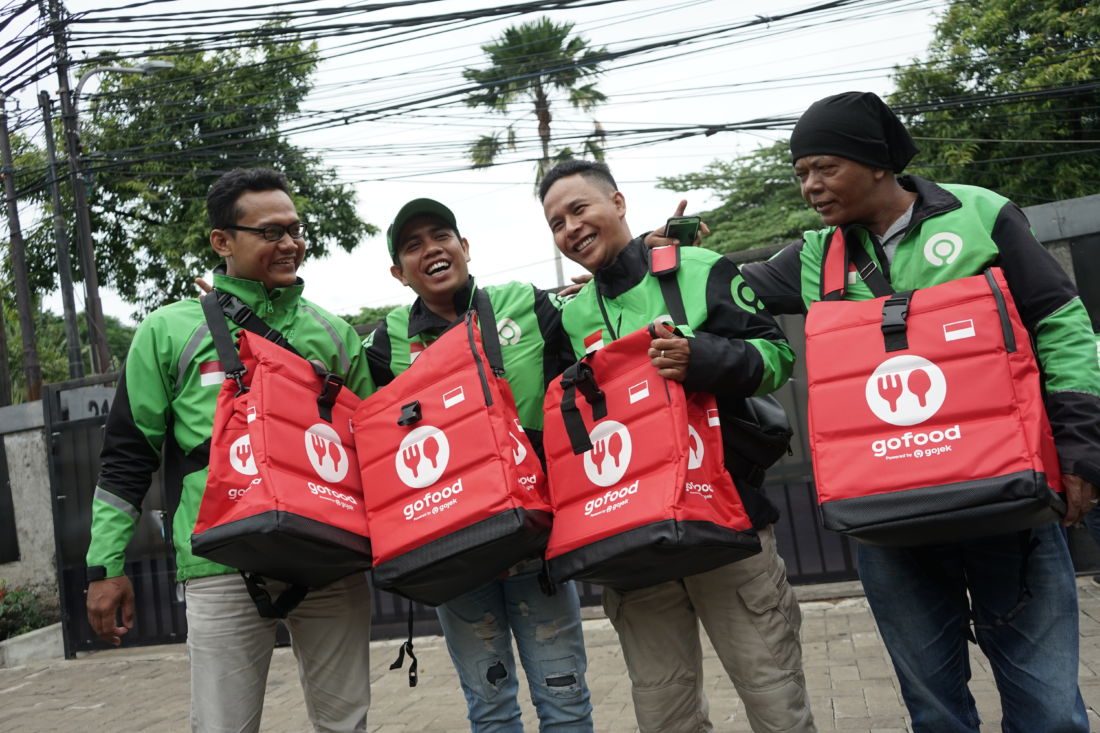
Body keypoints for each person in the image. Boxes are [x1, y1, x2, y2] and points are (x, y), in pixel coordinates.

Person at [740, 91, 1100, 733]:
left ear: (876, 160)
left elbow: (1061, 324)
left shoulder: (979, 216)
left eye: (824, 167)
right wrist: (655, 262)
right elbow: (726, 289)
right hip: (890, 518)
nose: (810, 187)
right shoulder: (817, 256)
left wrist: (1079, 450)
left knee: (1049, 713)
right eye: (800, 174)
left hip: (1005, 501)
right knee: (935, 714)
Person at [85, 168, 376, 733]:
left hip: (330, 556)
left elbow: (372, 447)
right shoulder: (168, 331)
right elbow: (127, 455)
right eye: (270, 232)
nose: (290, 243)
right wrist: (105, 566)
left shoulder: (334, 333)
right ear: (223, 241)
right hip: (219, 560)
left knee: (348, 724)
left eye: (295, 229)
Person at [538, 160, 816, 733]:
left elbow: (776, 358)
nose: (570, 228)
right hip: (630, 545)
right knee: (664, 716)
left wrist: (702, 358)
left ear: (617, 202)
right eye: (556, 222)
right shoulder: (569, 317)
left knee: (776, 702)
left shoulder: (697, 269)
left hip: (727, 524)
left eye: (579, 208)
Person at [364, 198, 594, 733]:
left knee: (565, 697)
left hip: (534, 540)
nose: (432, 250)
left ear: (464, 248)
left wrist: (636, 256)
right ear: (399, 273)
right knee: (489, 706)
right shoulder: (385, 342)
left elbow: (595, 326)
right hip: (452, 553)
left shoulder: (527, 303)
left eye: (441, 236)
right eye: (413, 246)